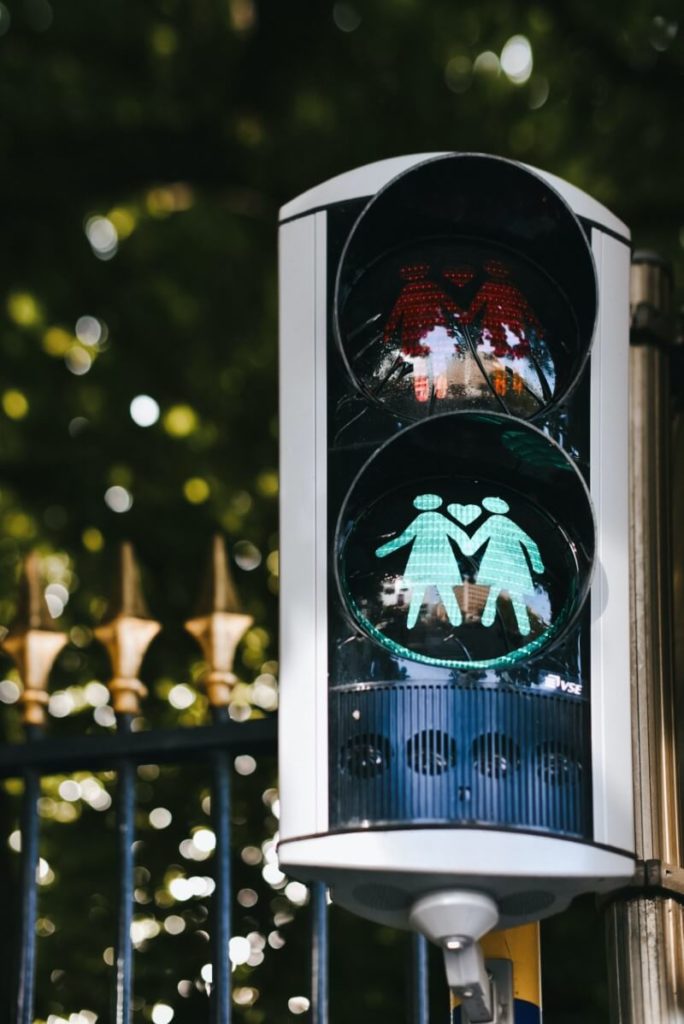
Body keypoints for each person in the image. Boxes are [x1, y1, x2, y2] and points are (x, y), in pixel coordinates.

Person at [375, 493, 470, 628]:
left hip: (423, 560)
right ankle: (454, 619)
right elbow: (457, 533)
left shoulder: (424, 519)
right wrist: (468, 546)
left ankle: (412, 622)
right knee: (442, 589)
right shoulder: (436, 518)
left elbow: (404, 538)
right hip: (440, 560)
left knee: (420, 590)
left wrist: (383, 550)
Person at [460, 495, 545, 635]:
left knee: (496, 590)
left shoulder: (493, 521)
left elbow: (478, 538)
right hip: (511, 562)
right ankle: (521, 625)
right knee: (509, 592)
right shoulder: (505, 522)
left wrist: (467, 548)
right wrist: (537, 564)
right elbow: (529, 542)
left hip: (498, 560)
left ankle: (491, 619)